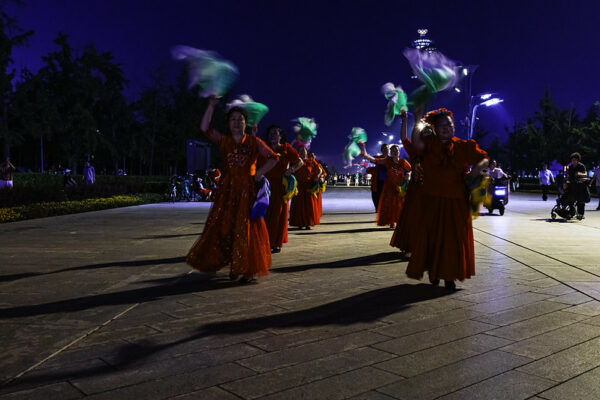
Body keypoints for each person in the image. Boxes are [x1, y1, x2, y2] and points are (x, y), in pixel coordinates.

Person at [186, 95, 278, 283]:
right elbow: (204, 128)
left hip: (248, 192)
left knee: (247, 229)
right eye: (233, 120)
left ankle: (246, 268)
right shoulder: (224, 141)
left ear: (246, 123)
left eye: (240, 120)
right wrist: (211, 105)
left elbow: (273, 157)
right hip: (227, 192)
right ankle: (234, 263)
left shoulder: (254, 142)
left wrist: (259, 172)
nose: (237, 123)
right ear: (228, 123)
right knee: (225, 227)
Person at [402, 108, 489, 290]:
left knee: (453, 241)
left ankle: (450, 276)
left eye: (449, 125)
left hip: (456, 202)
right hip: (432, 200)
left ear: (454, 127)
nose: (445, 128)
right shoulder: (429, 144)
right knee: (432, 239)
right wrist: (417, 118)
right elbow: (415, 144)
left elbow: (484, 159)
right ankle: (434, 272)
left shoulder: (463, 146)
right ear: (435, 128)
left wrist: (475, 171)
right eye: (441, 126)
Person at [261, 125, 303, 253]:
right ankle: (264, 241)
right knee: (264, 214)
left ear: (280, 136)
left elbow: (300, 161)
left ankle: (276, 242)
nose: (273, 135)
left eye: (276, 133)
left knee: (279, 215)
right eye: (271, 133)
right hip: (265, 185)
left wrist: (291, 170)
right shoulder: (263, 148)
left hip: (280, 185)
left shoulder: (286, 148)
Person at [360, 144, 411, 228]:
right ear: (391, 152)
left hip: (400, 186)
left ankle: (398, 220)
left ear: (399, 152)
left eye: (397, 150)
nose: (395, 152)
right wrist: (365, 155)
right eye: (393, 151)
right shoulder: (387, 161)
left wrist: (408, 174)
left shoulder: (403, 162)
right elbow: (375, 160)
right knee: (390, 204)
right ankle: (392, 221)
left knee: (399, 204)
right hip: (389, 186)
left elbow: (410, 169)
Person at [289, 145, 320, 230]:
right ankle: (299, 223)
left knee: (308, 206)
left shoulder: (311, 161)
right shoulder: (296, 162)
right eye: (300, 151)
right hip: (298, 186)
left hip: (308, 187)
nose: (302, 152)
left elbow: (319, 170)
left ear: (307, 152)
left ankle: (308, 223)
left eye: (304, 150)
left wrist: (318, 175)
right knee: (299, 206)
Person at [565, 152, 589, 220]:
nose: (574, 161)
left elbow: (585, 174)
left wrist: (579, 173)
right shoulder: (570, 167)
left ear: (578, 160)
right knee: (571, 199)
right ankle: (571, 213)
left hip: (580, 185)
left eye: (575, 160)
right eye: (572, 160)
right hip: (572, 185)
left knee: (580, 200)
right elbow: (569, 176)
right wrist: (565, 182)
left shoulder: (581, 166)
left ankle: (581, 214)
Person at [366, 144, 390, 211]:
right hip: (377, 181)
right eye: (384, 148)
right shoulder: (378, 158)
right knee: (375, 195)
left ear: (389, 150)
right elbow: (371, 159)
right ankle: (378, 209)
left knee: (386, 197)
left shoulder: (391, 159)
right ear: (381, 150)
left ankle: (384, 209)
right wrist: (364, 154)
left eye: (387, 148)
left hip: (388, 182)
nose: (386, 149)